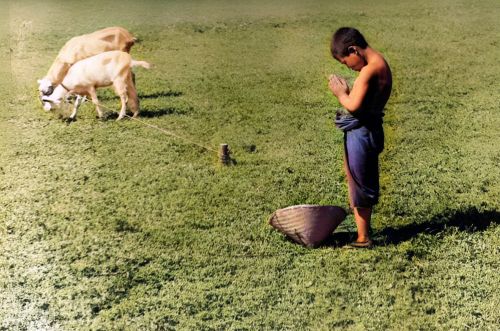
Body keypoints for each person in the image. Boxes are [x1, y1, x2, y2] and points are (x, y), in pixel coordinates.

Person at [328, 27, 392, 248]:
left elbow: (354, 106)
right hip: (370, 128)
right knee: (360, 178)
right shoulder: (381, 63)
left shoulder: (368, 71)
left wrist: (340, 93)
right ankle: (361, 232)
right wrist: (348, 92)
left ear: (354, 50)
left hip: (362, 132)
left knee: (360, 182)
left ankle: (363, 238)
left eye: (346, 62)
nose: (349, 67)